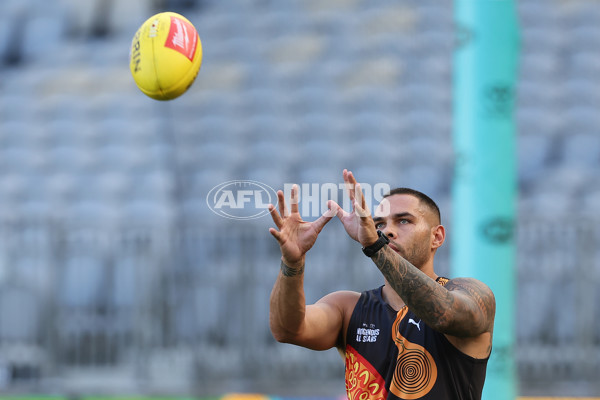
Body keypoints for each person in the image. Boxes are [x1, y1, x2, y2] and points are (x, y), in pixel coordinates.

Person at [268, 169, 495, 400]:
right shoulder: (347, 308)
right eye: (379, 224)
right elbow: (287, 329)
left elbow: (443, 314)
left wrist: (376, 246)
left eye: (403, 220)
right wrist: (292, 262)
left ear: (436, 237)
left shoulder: (471, 294)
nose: (387, 231)